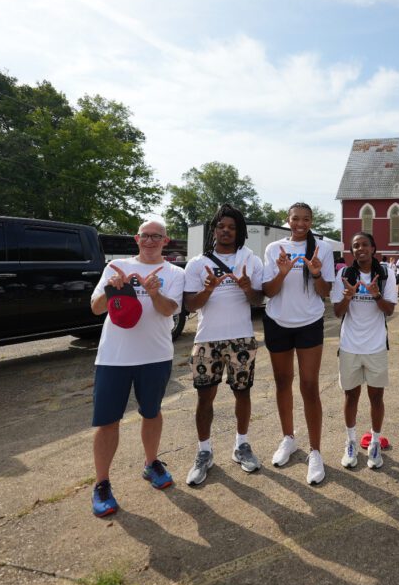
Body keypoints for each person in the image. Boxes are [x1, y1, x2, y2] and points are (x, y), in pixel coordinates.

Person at [88, 220, 186, 517]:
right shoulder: (116, 266)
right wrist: (111, 289)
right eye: (145, 236)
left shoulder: (175, 273)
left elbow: (171, 310)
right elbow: (96, 307)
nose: (150, 241)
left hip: (155, 356)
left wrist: (154, 293)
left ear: (165, 241)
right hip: (114, 357)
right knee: (107, 422)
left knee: (152, 412)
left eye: (157, 236)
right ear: (137, 238)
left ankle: (151, 463)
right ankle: (102, 483)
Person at [182, 205, 265, 485]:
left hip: (241, 338)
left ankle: (241, 446)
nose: (226, 231)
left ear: (239, 231)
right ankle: (204, 452)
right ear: (214, 230)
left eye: (231, 227)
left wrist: (246, 287)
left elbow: (257, 300)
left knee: (242, 393)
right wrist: (207, 289)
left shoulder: (250, 259)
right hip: (206, 340)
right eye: (221, 226)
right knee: (204, 397)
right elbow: (190, 305)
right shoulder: (196, 264)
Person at [262, 202, 335, 485]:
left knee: (309, 386)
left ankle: (315, 451)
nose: (300, 224)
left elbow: (325, 292)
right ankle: (288, 439)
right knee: (282, 382)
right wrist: (281, 272)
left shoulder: (322, 248)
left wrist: (316, 272)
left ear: (312, 220)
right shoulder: (273, 249)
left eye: (306, 219)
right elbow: (267, 292)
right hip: (277, 322)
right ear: (287, 220)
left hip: (309, 322)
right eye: (295, 219)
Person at [332, 232, 397, 469]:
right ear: (352, 251)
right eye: (356, 245)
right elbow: (337, 312)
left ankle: (375, 442)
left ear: (373, 248)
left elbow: (389, 310)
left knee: (376, 397)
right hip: (349, 346)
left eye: (365, 245)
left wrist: (376, 294)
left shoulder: (385, 274)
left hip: (376, 346)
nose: (361, 249)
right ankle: (350, 442)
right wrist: (348, 296)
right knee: (351, 396)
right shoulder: (344, 274)